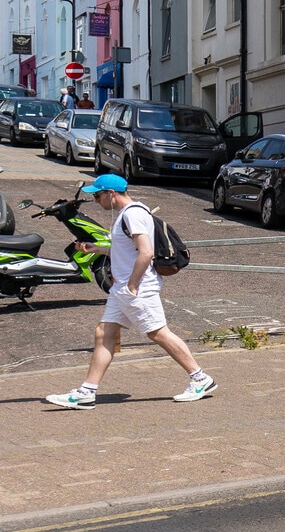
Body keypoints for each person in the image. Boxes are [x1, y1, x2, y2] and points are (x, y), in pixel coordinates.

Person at [45, 175, 216, 409]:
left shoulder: (132, 214)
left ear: (111, 193)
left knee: (158, 333)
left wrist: (132, 286)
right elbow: (128, 250)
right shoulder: (130, 213)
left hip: (136, 288)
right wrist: (98, 249)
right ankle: (87, 392)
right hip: (123, 289)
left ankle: (200, 379)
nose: (96, 201)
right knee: (104, 333)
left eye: (98, 196)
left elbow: (146, 252)